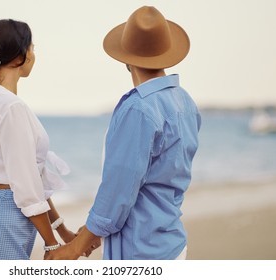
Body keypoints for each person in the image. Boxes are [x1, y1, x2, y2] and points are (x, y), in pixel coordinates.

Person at [46, 6, 201, 260]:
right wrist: (94, 232)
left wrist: (76, 246)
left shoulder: (138, 108)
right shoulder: (185, 103)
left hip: (141, 251)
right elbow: (159, 179)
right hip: (172, 244)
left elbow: (118, 190)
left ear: (127, 58)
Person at [0, 19, 77, 260]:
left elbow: (34, 181)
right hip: (6, 225)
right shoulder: (10, 107)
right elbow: (25, 184)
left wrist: (62, 231)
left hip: (6, 220)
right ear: (19, 57)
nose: (34, 55)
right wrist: (51, 244)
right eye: (32, 48)